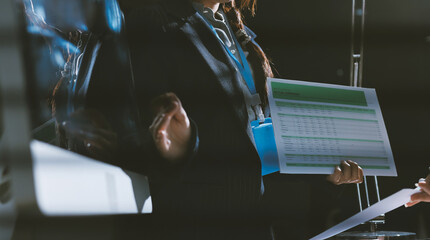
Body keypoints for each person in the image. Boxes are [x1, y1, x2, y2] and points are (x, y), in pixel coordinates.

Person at [124, 0, 363, 239]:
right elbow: (145, 127)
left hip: (253, 219)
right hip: (196, 221)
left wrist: (320, 168)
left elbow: (253, 138)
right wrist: (176, 147)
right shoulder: (154, 21)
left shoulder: (240, 34)